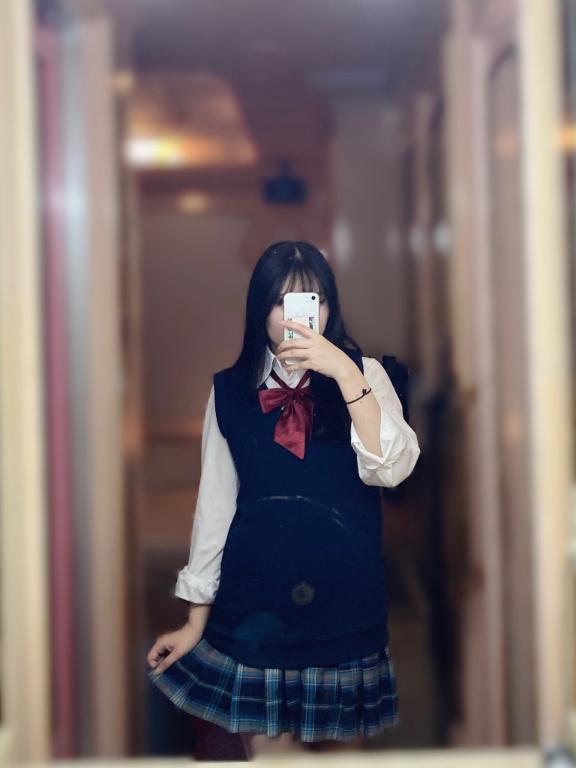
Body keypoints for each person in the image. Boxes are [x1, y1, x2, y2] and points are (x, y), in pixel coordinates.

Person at [146, 240, 421, 758]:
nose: (300, 316)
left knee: (342, 756)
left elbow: (393, 468)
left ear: (330, 306)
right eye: (283, 302)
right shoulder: (229, 391)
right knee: (269, 757)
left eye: (314, 300)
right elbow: (215, 506)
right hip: (254, 607)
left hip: (345, 605)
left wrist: (345, 372)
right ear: (261, 309)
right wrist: (195, 621)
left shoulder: (366, 374)